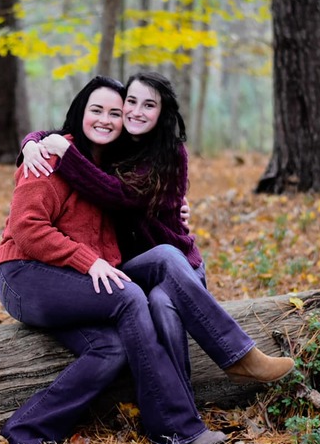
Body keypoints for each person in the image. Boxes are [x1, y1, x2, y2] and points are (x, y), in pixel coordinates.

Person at [0, 75, 226, 444]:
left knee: (113, 348)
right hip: (23, 275)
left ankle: (27, 428)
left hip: (75, 281)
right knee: (130, 296)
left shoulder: (114, 167)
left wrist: (175, 212)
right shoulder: (50, 157)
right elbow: (26, 228)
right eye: (96, 110)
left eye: (115, 113)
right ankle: (175, 428)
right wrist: (31, 143)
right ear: (80, 113)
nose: (105, 119)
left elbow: (140, 204)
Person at [20, 71, 295, 388]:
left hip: (177, 268)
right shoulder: (115, 142)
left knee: (164, 302)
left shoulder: (171, 154)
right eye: (131, 102)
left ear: (162, 112)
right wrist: (31, 144)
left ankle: (227, 368)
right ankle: (188, 409)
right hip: (133, 269)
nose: (136, 111)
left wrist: (66, 156)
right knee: (153, 289)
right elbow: (66, 131)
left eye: (148, 105)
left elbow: (119, 195)